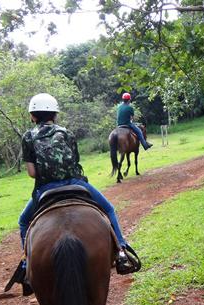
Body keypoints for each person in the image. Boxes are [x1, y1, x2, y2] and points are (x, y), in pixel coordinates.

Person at [8, 93, 135, 292]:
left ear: (33, 116)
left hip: (46, 187)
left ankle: (26, 265)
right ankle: (121, 251)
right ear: (55, 115)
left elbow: (32, 173)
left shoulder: (28, 136)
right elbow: (75, 162)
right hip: (75, 182)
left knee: (24, 221)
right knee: (109, 209)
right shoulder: (66, 132)